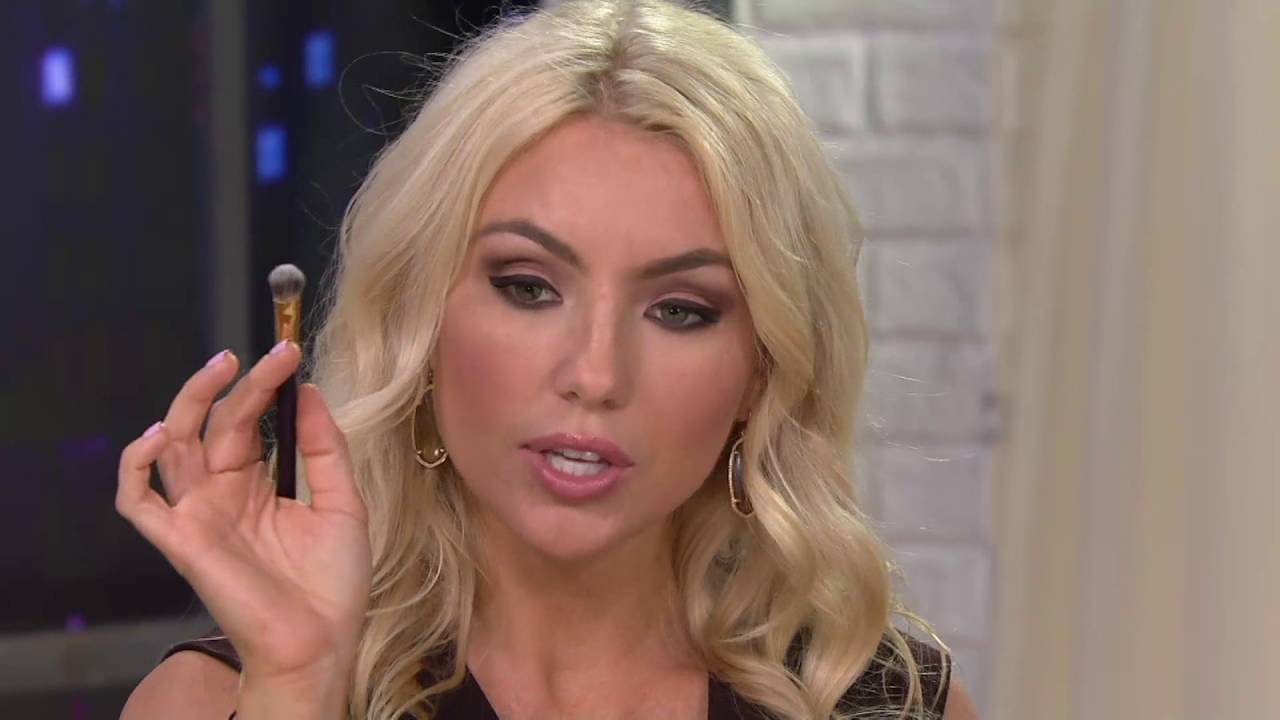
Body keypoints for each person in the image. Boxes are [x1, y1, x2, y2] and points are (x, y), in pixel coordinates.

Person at [115, 1, 981, 718]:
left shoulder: (883, 702)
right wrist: (299, 688)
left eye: (680, 310)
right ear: (423, 319)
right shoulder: (215, 700)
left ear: (760, 371)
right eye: (528, 287)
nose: (595, 376)